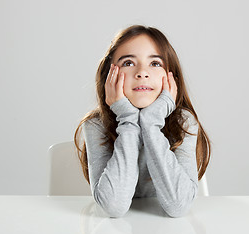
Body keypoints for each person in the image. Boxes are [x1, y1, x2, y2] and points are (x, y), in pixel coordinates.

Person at [74, 24, 211, 218]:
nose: (142, 73)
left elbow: (178, 206)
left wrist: (151, 123)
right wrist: (128, 119)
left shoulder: (184, 122)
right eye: (128, 63)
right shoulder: (96, 125)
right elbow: (113, 207)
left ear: (171, 77)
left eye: (155, 64)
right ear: (109, 76)